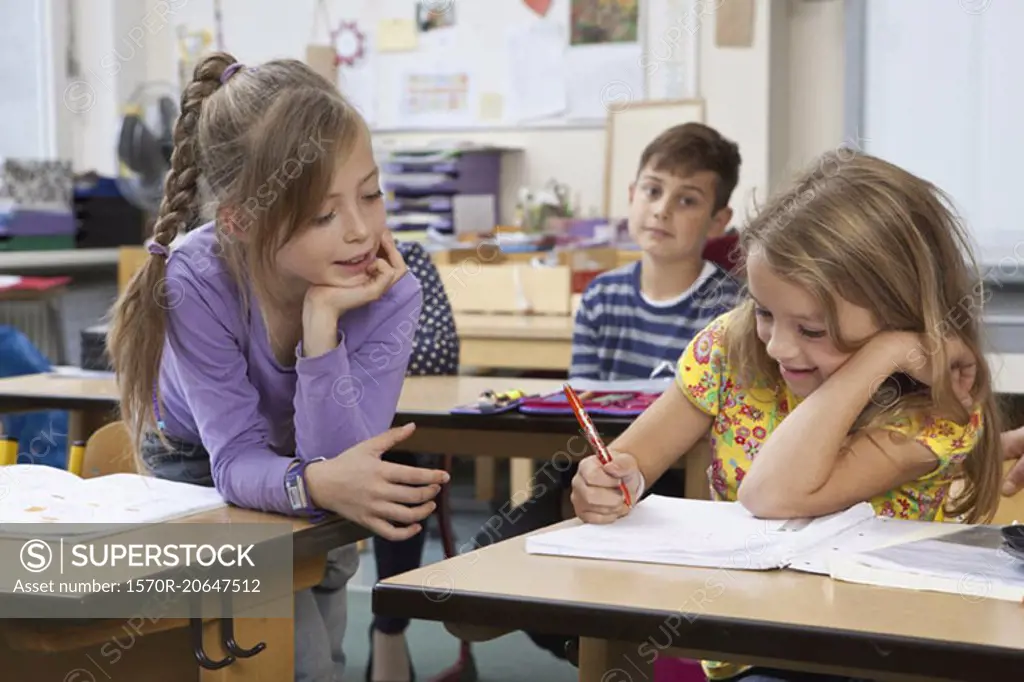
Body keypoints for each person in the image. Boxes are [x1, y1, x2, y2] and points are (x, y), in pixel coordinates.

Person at [570, 150, 1004, 682]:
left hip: (872, 654)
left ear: (901, 316)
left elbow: (772, 495)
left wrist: (879, 358)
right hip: (752, 639)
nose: (778, 346)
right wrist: (612, 479)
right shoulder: (731, 348)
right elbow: (635, 457)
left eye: (813, 330)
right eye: (765, 311)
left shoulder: (936, 411)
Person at [105, 52, 449, 682]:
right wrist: (316, 481)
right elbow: (235, 461)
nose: (360, 232)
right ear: (238, 220)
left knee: (328, 635)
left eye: (371, 194)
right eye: (323, 214)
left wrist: (322, 333)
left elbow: (345, 459)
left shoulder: (389, 288)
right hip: (199, 461)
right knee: (299, 661)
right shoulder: (197, 279)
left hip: (314, 461)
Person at [467, 122, 744, 664]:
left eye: (686, 200)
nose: (661, 209)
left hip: (679, 481)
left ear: (718, 221)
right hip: (591, 466)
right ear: (631, 196)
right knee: (481, 591)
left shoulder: (730, 307)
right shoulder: (602, 297)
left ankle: (612, 648)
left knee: (633, 598)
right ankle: (584, 643)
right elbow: (585, 409)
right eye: (652, 190)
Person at [368, 239, 460, 682]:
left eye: (370, 197)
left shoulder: (405, 257)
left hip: (384, 431)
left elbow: (438, 352)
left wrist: (349, 353)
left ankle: (389, 625)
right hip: (291, 440)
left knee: (405, 468)